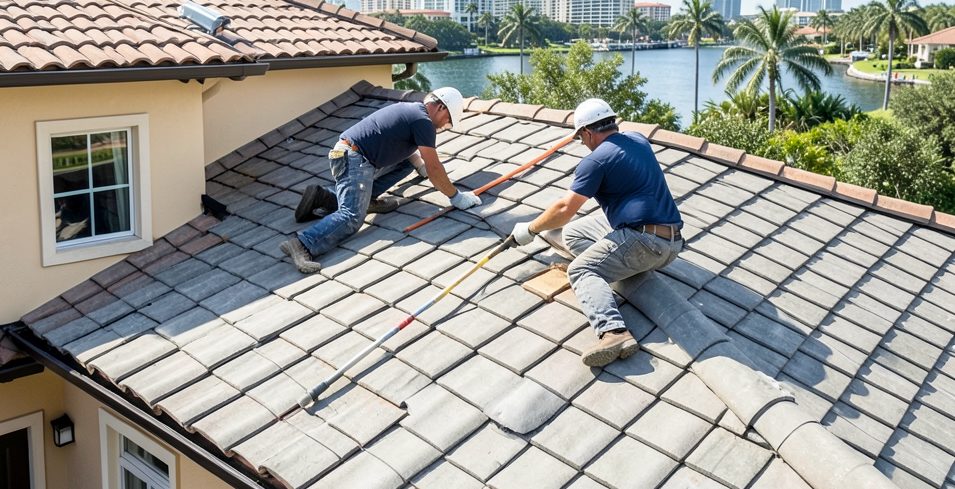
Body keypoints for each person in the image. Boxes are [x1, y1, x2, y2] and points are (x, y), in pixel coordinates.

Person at [510, 98, 683, 367]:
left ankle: (614, 333)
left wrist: (531, 229)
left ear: (587, 132)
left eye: (581, 138)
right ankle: (613, 263)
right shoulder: (638, 139)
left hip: (646, 243)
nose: (584, 143)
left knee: (581, 270)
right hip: (671, 240)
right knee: (572, 233)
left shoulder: (596, 161)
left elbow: (564, 208)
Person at [280, 88, 481, 273]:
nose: (445, 125)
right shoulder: (423, 121)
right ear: (440, 107)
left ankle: (324, 197)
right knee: (352, 216)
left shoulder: (413, 112)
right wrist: (456, 196)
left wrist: (420, 166)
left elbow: (407, 152)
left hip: (351, 155)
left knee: (406, 164)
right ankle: (303, 243)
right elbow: (435, 168)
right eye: (448, 120)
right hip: (354, 159)